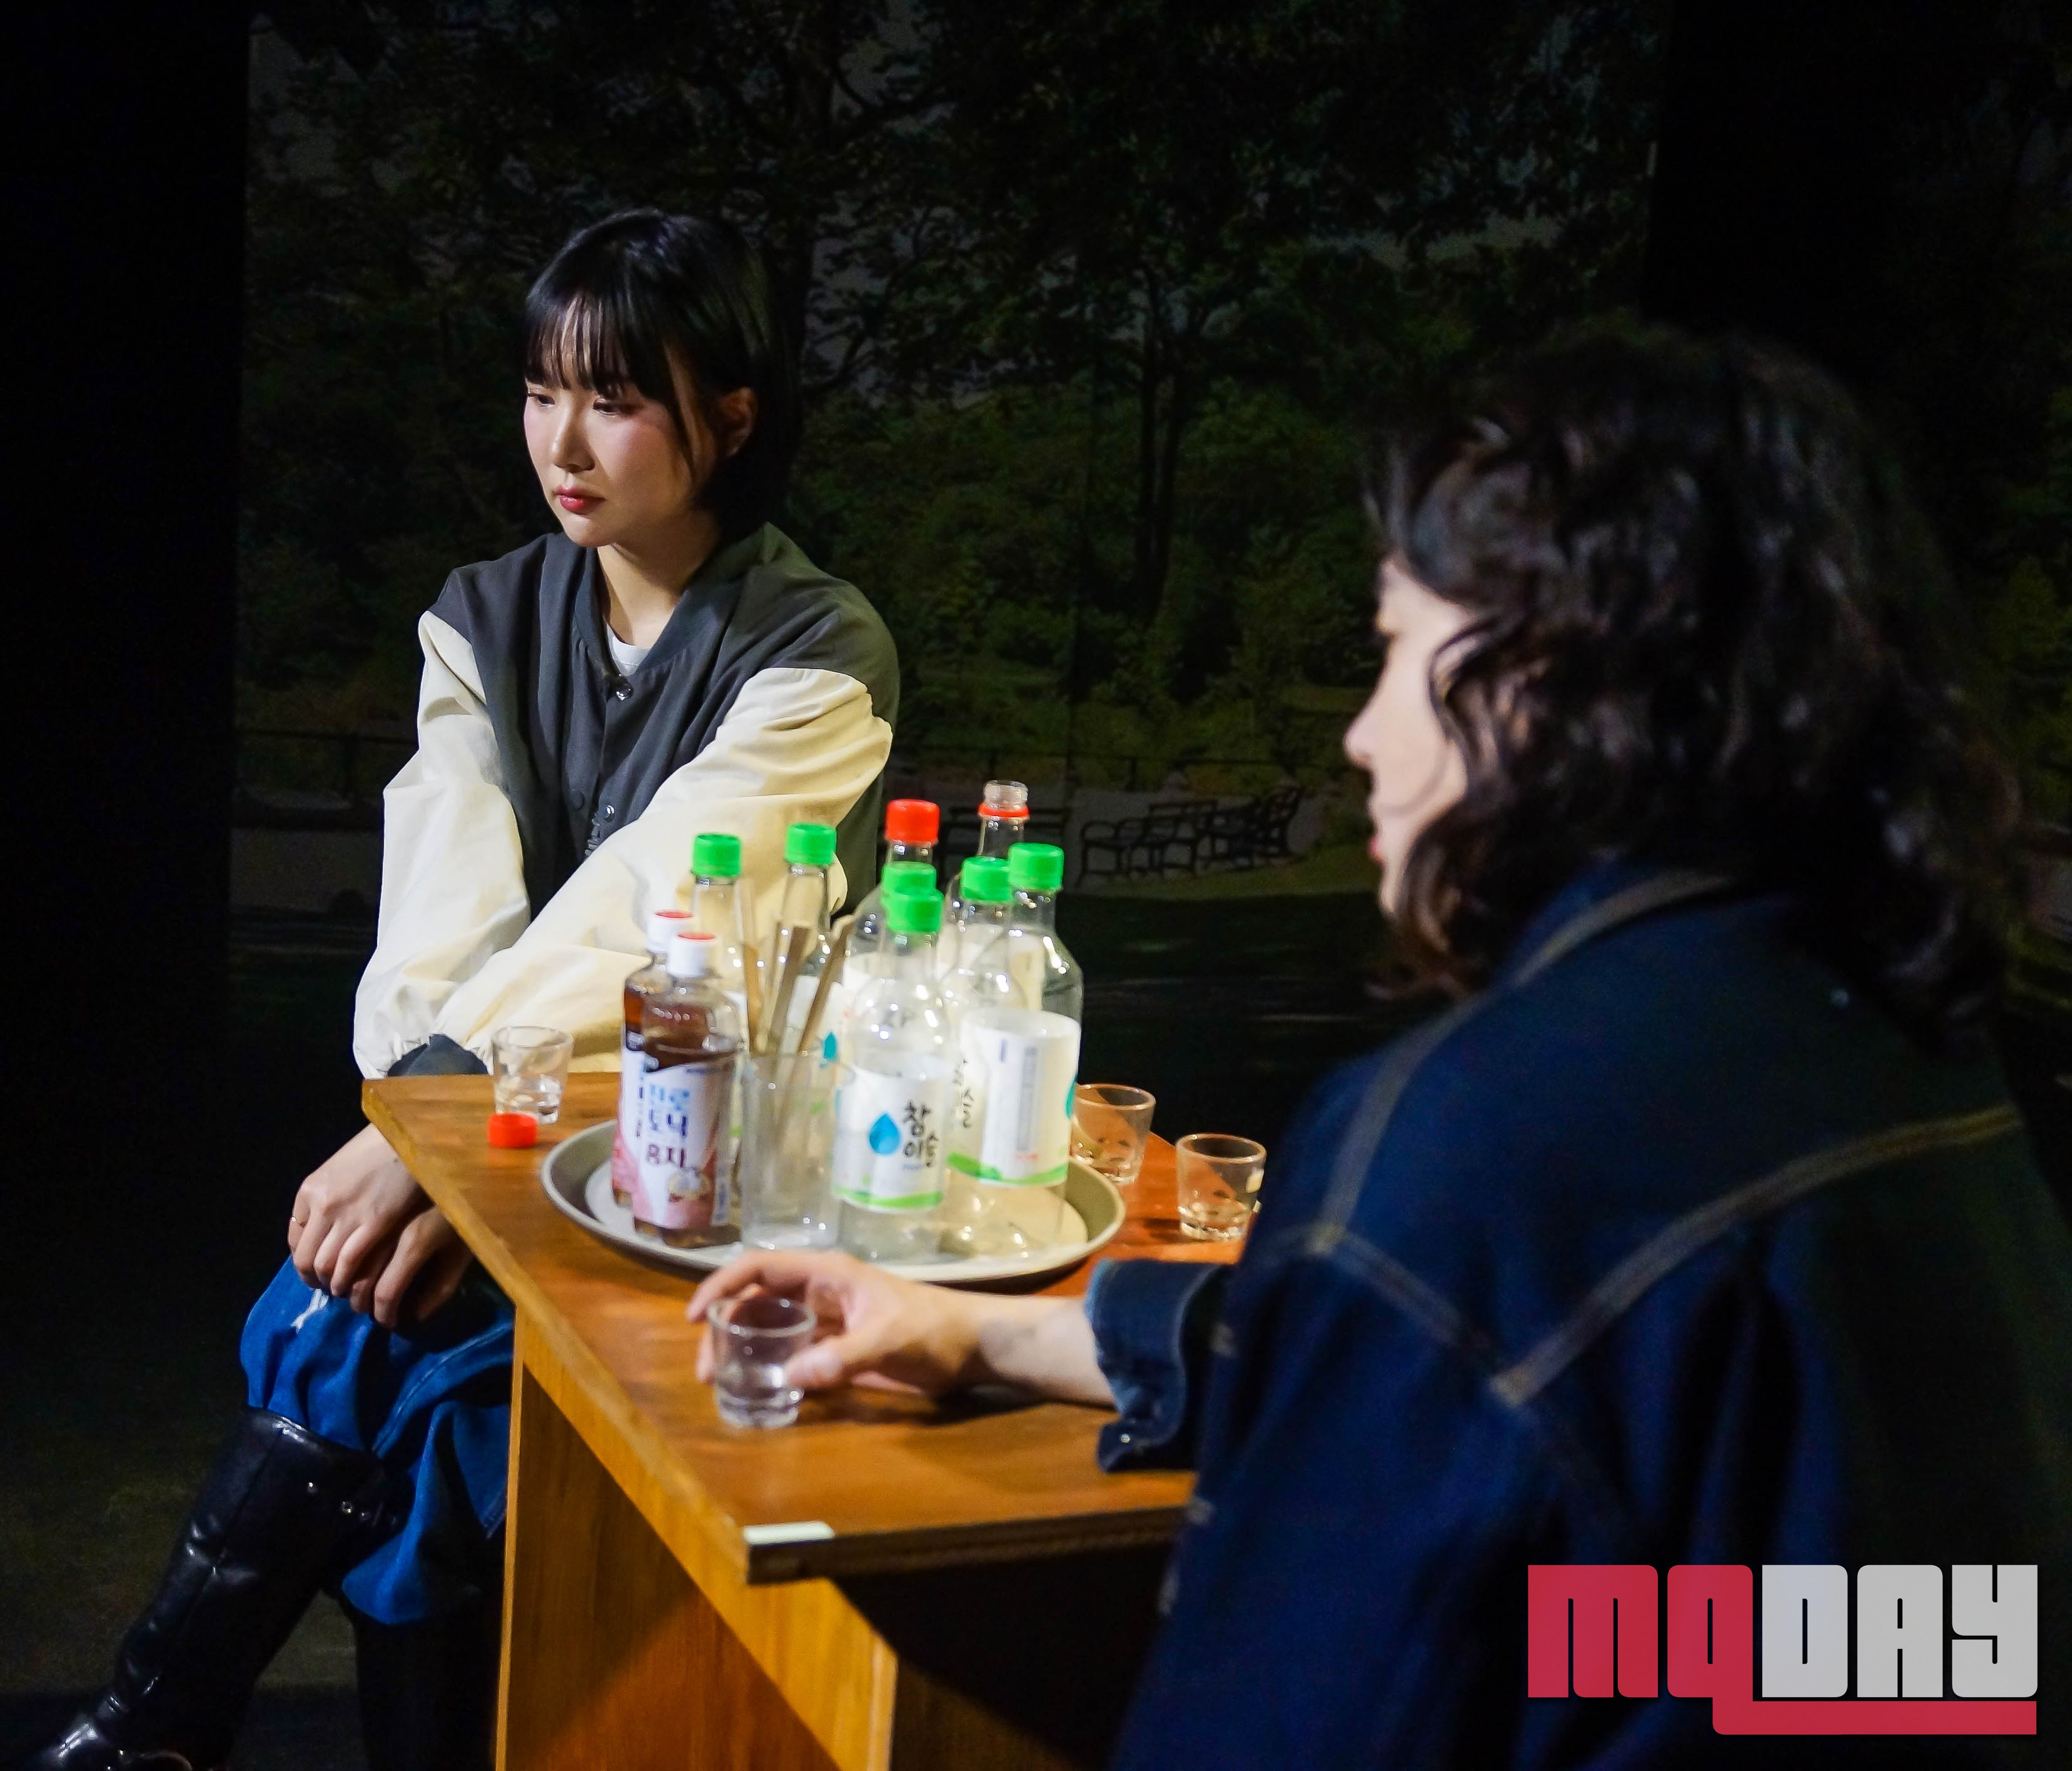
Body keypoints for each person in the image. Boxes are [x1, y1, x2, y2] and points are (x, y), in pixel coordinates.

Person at [690, 330, 2072, 1767]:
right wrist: (986, 1334)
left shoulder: (1480, 1143)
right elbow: (1771, 1619)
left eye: (1397, 646)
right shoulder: (1903, 1057)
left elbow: (1284, 1718)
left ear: (1541, 668)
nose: (1359, 737)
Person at [20, 210, 897, 1771]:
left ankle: (153, 1722)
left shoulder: (817, 651)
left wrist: (424, 1128)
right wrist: (429, 1130)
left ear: (730, 417)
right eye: (540, 391)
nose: (561, 442)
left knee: (351, 1331)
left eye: (614, 400)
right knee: (440, 1414)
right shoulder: (483, 615)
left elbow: (660, 915)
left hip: (698, 1144)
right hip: (488, 1120)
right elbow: (439, 913)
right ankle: (159, 1728)